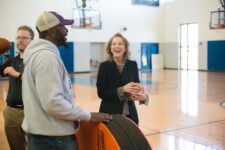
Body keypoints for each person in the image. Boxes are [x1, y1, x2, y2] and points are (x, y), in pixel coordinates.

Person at [22, 11, 112, 150]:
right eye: (63, 27)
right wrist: (87, 115)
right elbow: (53, 103)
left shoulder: (38, 55)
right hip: (54, 140)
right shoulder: (47, 58)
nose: (66, 31)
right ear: (52, 30)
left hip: (44, 137)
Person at [96, 33, 149, 125]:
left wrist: (143, 97)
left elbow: (137, 88)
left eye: (120, 44)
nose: (117, 46)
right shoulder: (104, 66)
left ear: (125, 48)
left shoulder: (133, 65)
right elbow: (101, 93)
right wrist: (122, 89)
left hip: (131, 115)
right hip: (110, 115)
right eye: (114, 44)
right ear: (110, 48)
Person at [0, 25, 34, 150]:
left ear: (32, 40)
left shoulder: (37, 60)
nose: (20, 40)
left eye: (24, 37)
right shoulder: (11, 61)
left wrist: (17, 74)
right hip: (12, 112)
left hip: (33, 112)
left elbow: (39, 81)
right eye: (18, 37)